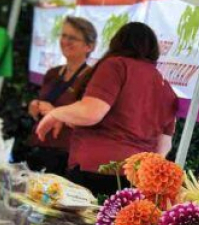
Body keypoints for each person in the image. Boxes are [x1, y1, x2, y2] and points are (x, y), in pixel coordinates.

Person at [36, 22, 178, 197]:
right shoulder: (166, 87)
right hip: (135, 178)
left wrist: (55, 113)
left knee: (74, 224)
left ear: (117, 41)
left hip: (94, 170)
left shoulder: (116, 65)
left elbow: (92, 112)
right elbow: (163, 146)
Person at [23, 16, 97, 176]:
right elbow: (42, 106)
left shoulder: (92, 78)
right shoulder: (52, 73)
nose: (65, 41)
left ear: (89, 46)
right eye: (64, 35)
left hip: (63, 153)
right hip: (37, 146)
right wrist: (35, 105)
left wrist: (56, 113)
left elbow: (89, 119)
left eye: (73, 38)